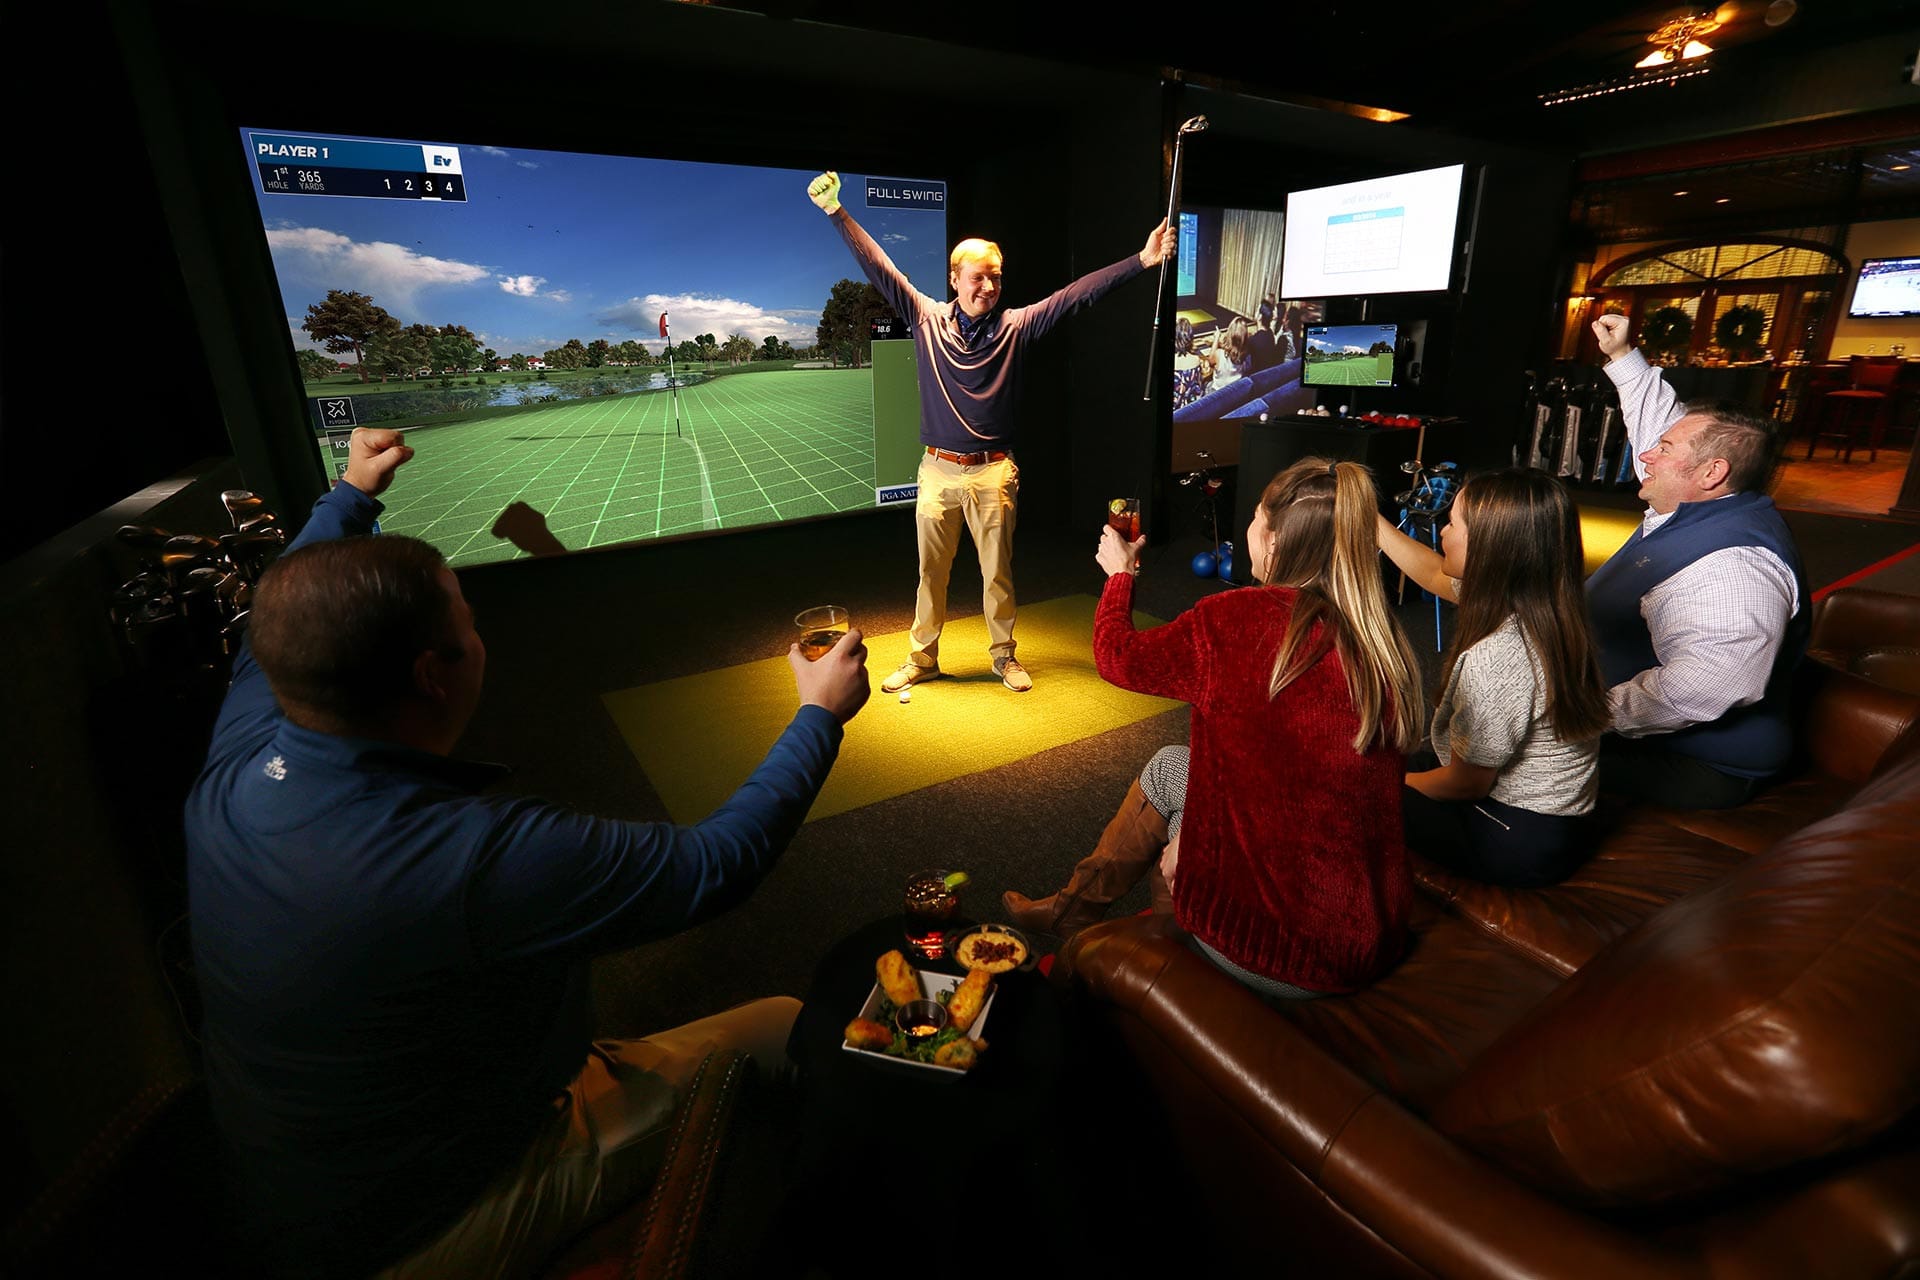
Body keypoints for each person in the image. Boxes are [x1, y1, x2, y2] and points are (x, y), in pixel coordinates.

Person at [185, 427, 870, 1279]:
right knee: (789, 1033)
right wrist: (819, 715)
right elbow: (715, 866)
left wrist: (352, 494)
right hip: (419, 1223)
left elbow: (286, 597)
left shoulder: (252, 735)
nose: (479, 634)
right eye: (469, 622)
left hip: (300, 1183)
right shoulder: (467, 858)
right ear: (434, 674)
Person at [1003, 459, 1425, 998]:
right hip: (1369, 939)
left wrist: (1120, 577)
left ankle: (1166, 947)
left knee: (1174, 805)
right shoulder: (1382, 639)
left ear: (1274, 542)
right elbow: (1293, 778)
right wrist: (1194, 832)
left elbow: (1117, 657)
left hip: (1277, 950)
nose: (1249, 529)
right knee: (1171, 767)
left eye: (1254, 517)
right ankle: (1074, 911)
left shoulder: (1235, 621)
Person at [806, 169, 1175, 692]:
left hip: (993, 472)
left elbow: (1076, 295)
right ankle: (922, 658)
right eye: (979, 277)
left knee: (996, 574)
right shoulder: (925, 318)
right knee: (930, 574)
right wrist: (837, 212)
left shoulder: (1016, 326)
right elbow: (879, 266)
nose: (989, 287)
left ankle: (1004, 656)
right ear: (955, 279)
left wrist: (1141, 260)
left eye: (996, 277)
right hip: (937, 470)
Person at [1587, 312, 1808, 809]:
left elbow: (1700, 690)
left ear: (1711, 473)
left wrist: (1580, 714)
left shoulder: (1735, 569)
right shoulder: (1700, 499)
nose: (1647, 455)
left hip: (1698, 761)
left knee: (1510, 756)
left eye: (1663, 450)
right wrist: (1622, 355)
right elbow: (1656, 422)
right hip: (1638, 723)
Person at [1376, 469, 1612, 886]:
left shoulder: (1500, 656)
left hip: (1518, 837)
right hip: (1554, 821)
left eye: (1453, 524)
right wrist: (1371, 522)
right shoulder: (1542, 604)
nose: (1442, 532)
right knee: (1377, 760)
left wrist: (1380, 786)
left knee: (1349, 794)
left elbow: (1465, 784)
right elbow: (1434, 574)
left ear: (1491, 548)